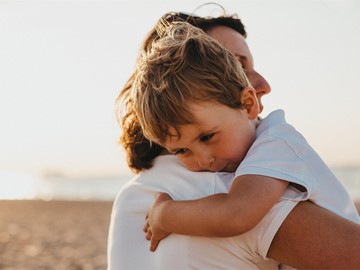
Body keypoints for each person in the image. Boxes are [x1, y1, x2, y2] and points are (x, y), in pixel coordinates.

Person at [108, 10, 360, 270]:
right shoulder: (218, 185)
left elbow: (237, 211)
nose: (265, 84)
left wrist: (165, 214)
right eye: (237, 65)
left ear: (247, 103)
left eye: (207, 137)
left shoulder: (133, 196)